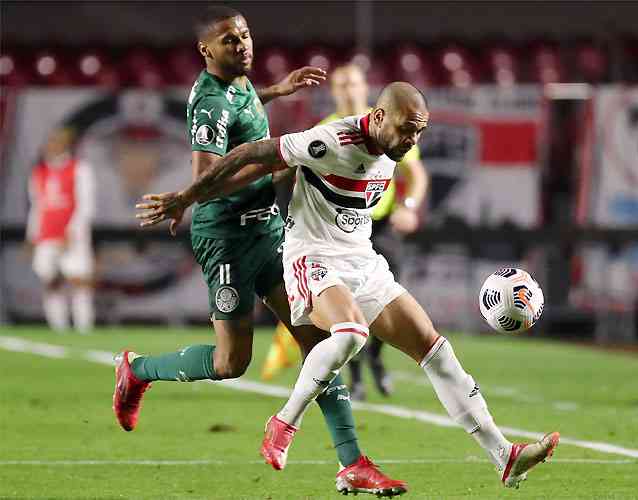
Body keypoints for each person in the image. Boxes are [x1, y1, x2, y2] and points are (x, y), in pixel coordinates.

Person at [136, 81, 559, 491]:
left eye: (419, 130)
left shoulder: (394, 145)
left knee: (436, 350)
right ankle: (285, 421)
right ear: (378, 117)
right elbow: (253, 153)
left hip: (363, 260)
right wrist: (187, 197)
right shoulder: (330, 141)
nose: (412, 138)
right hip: (312, 257)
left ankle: (504, 455)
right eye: (406, 128)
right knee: (351, 333)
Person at [116, 7, 406, 497]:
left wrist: (276, 91)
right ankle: (137, 370)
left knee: (319, 343)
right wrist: (274, 168)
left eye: (245, 35)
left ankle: (352, 462)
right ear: (206, 51)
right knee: (233, 363)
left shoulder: (239, 84)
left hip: (270, 232)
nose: (243, 45)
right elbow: (207, 178)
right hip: (226, 237)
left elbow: (243, 107)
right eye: (229, 40)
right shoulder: (209, 103)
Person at [261, 64, 430, 400]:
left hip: (379, 225)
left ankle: (376, 360)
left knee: (383, 297)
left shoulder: (396, 124)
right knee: (347, 308)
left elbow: (417, 173)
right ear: (334, 92)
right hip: (335, 233)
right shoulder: (328, 131)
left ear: (366, 87)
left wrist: (409, 205)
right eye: (342, 85)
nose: (349, 89)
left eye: (354, 83)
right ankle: (355, 376)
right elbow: (288, 169)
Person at [27, 127, 96, 334]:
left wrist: (73, 230)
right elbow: (37, 205)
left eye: (57, 142)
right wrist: (32, 236)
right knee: (50, 281)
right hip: (46, 236)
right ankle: (59, 330)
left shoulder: (79, 169)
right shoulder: (39, 172)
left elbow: (86, 204)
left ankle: (84, 329)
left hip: (72, 235)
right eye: (51, 142)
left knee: (79, 281)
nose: (52, 146)